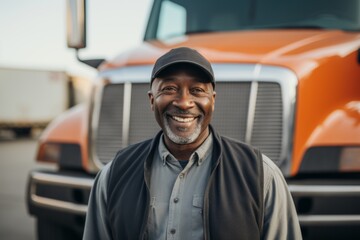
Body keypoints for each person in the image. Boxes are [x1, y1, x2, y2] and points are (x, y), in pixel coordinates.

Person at [83, 47, 302, 240]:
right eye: (169, 89)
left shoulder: (261, 176)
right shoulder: (113, 175)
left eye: (197, 90)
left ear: (212, 100)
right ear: (152, 100)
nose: (184, 103)